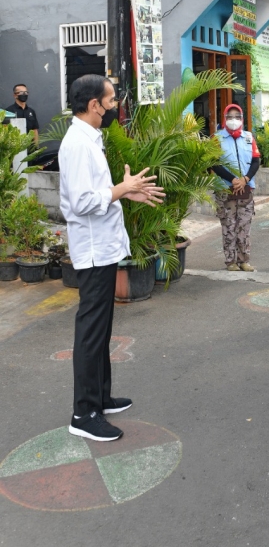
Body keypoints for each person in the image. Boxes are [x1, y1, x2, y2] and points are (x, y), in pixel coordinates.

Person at [59, 74, 165, 442]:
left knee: (101, 328)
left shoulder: (90, 139)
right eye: (110, 100)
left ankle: (100, 397)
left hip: (102, 247)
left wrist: (124, 192)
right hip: (91, 251)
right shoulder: (77, 144)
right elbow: (81, 202)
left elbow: (97, 193)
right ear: (93, 105)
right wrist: (122, 188)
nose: (114, 105)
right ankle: (84, 413)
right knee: (90, 332)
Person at [212, 104, 260, 272]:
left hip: (246, 190)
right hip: (226, 190)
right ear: (224, 119)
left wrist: (245, 179)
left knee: (244, 226)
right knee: (229, 226)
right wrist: (233, 180)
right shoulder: (216, 138)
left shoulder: (248, 137)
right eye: (230, 116)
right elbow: (215, 163)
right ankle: (231, 261)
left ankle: (244, 260)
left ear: (242, 119)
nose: (234, 120)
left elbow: (256, 161)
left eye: (237, 116)